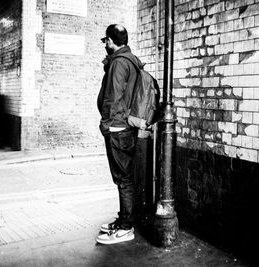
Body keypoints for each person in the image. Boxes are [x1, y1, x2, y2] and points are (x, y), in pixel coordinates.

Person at [96, 24, 141, 245]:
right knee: (124, 178)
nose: (105, 44)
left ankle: (126, 228)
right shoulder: (130, 60)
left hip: (117, 127)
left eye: (106, 40)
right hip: (126, 126)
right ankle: (124, 219)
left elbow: (112, 98)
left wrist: (106, 124)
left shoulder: (119, 62)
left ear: (111, 41)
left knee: (123, 179)